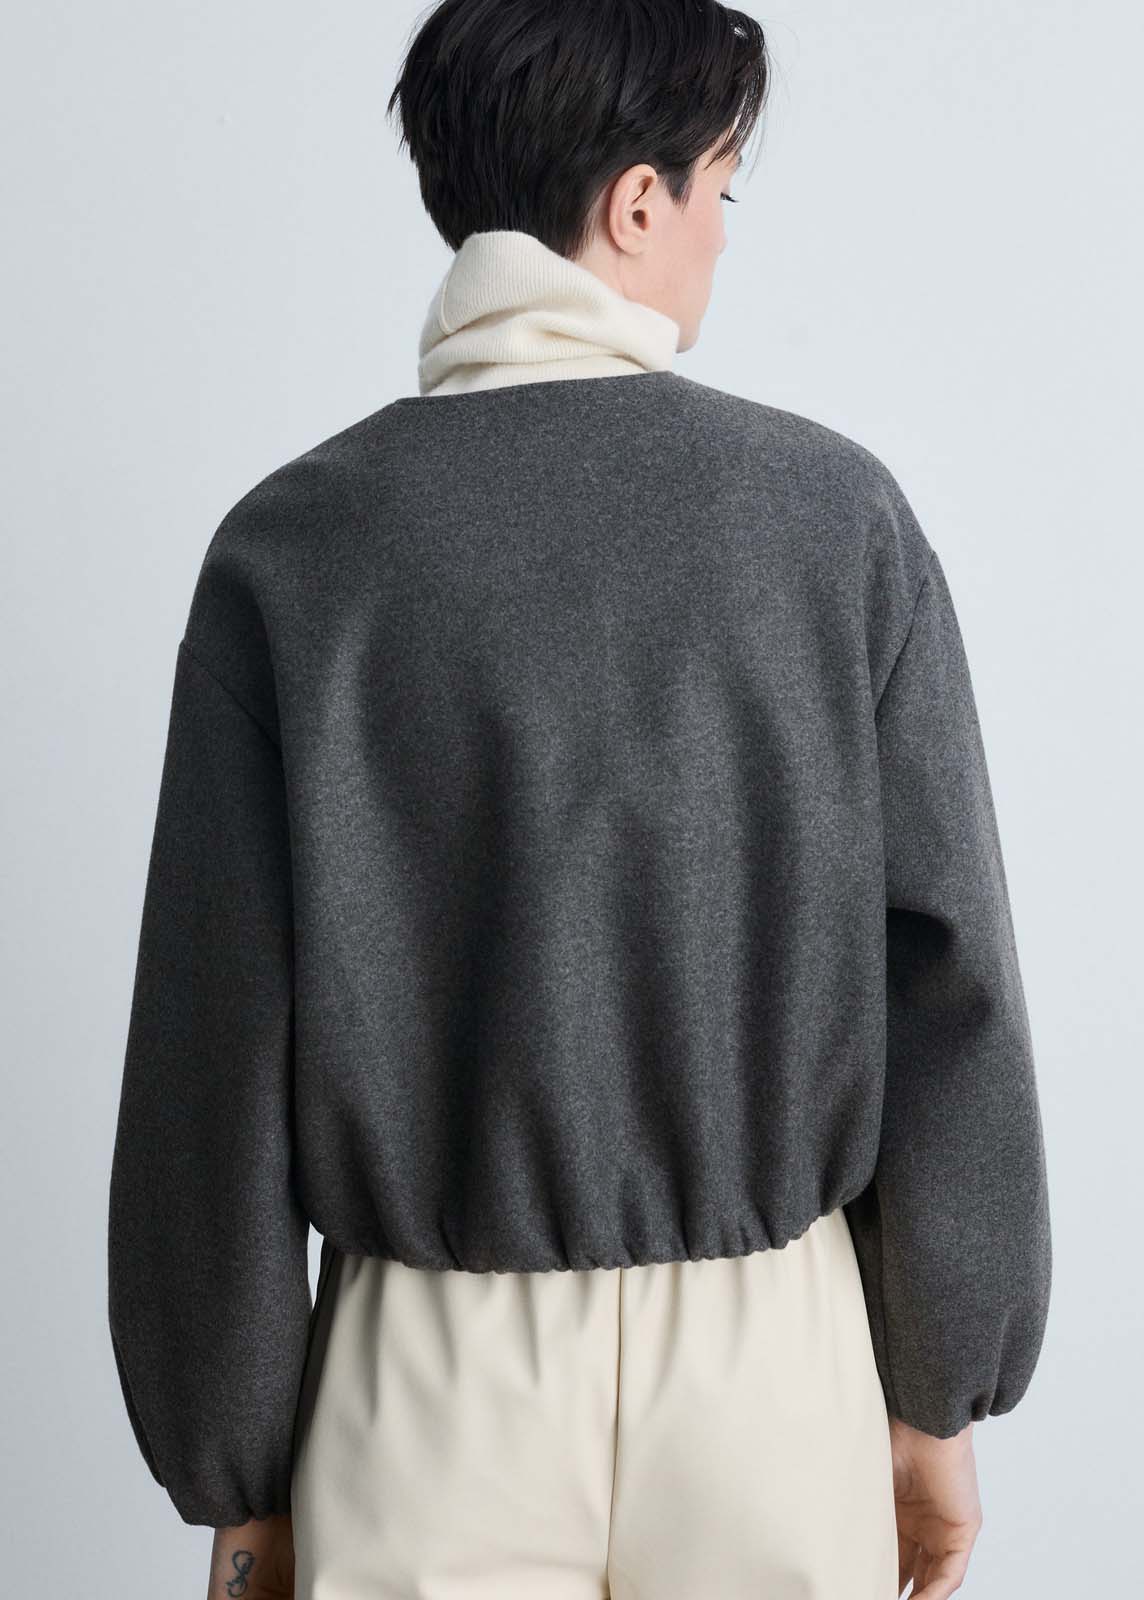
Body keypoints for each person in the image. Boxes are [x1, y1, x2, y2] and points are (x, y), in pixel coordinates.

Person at [106, 3, 1052, 1597]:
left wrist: (240, 1462)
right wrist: (936, 1389)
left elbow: (214, 1044)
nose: (721, 236)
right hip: (772, 1365)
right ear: (635, 202)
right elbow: (946, 978)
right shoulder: (836, 523)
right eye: (721, 192)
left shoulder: (293, 552)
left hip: (422, 1379)